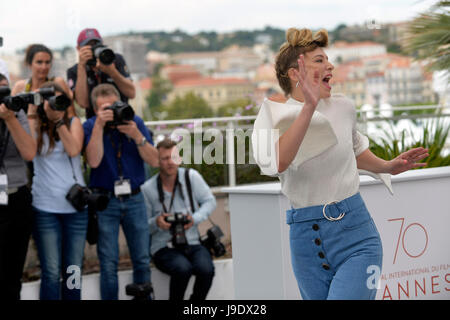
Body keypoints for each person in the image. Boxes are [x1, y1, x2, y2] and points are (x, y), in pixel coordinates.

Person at [251, 27, 429, 300]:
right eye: (319, 60)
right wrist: (308, 108)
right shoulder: (272, 118)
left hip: (356, 234)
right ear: (295, 73)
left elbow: (353, 150)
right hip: (304, 240)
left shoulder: (343, 107)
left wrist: (387, 166)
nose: (330, 65)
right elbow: (279, 162)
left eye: (327, 59)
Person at [83, 83, 158, 300]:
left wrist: (137, 136)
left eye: (113, 107)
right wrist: (98, 125)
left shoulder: (134, 122)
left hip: (135, 198)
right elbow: (94, 162)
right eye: (104, 109)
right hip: (106, 201)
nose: (111, 114)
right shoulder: (90, 126)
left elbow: (154, 160)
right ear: (96, 110)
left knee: (142, 258)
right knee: (108, 262)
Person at [27, 81, 87, 300]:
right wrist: (33, 115)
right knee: (51, 272)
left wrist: (58, 121)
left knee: (74, 270)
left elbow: (73, 149)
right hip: (45, 208)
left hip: (75, 209)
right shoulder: (35, 124)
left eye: (61, 100)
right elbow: (30, 151)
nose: (56, 104)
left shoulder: (72, 122)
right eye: (52, 100)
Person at [141, 138, 216, 301]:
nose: (170, 162)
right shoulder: (147, 189)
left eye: (174, 157)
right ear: (157, 161)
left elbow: (210, 201)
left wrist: (194, 218)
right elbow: (142, 226)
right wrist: (157, 222)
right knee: (182, 269)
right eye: (165, 158)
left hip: (192, 241)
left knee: (206, 270)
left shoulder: (191, 177)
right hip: (163, 246)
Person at [0, 72, 37, 300]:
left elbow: (29, 152)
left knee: (13, 274)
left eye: (6, 89)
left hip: (17, 199)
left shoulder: (18, 112)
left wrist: (10, 119)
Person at [67, 28, 135, 119]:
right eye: (88, 46)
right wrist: (82, 68)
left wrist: (112, 72)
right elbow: (83, 103)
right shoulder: (74, 70)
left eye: (97, 44)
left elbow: (131, 93)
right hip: (95, 120)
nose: (93, 48)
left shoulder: (115, 60)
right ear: (79, 49)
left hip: (122, 116)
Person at [11, 44, 76, 118]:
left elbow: (71, 114)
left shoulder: (58, 83)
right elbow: (12, 115)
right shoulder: (20, 87)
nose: (44, 67)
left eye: (47, 62)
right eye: (39, 62)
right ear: (29, 64)